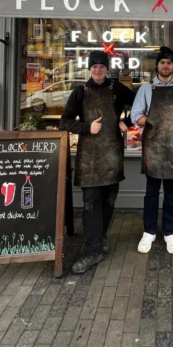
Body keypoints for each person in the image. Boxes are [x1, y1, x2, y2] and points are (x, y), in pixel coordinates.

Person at [61, 49, 135, 274]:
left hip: (112, 157)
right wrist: (86, 128)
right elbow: (64, 122)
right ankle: (92, 251)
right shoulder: (80, 92)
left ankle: (101, 238)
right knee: (91, 205)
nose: (98, 70)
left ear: (107, 68)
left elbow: (141, 103)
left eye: (102, 66)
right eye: (94, 66)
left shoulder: (117, 89)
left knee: (108, 202)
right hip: (89, 160)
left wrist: (128, 121)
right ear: (89, 68)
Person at [131, 45, 173, 254]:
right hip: (154, 147)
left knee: (172, 193)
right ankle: (148, 232)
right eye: (162, 62)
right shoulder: (146, 89)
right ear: (157, 65)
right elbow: (135, 116)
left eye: (169, 63)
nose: (166, 66)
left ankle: (169, 232)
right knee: (151, 192)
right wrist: (158, 120)